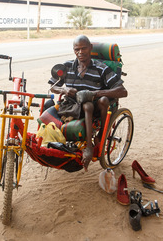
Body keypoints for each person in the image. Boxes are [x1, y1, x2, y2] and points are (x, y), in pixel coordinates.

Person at [49, 35, 128, 170]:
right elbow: (52, 86)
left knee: (91, 104)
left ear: (90, 48)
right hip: (71, 106)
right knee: (47, 106)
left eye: (84, 48)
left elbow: (122, 91)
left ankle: (93, 143)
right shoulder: (67, 66)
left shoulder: (101, 68)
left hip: (94, 107)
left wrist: (95, 94)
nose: (80, 52)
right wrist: (64, 89)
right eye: (77, 49)